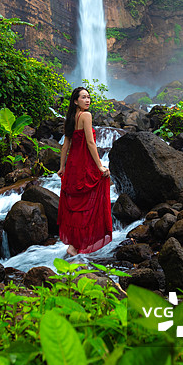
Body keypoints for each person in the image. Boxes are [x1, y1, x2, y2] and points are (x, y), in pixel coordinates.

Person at [57, 86, 113, 256]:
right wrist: (100, 166)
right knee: (86, 203)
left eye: (88, 97)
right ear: (75, 101)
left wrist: (62, 167)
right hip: (84, 164)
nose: (87, 100)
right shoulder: (86, 116)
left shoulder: (70, 119)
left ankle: (74, 245)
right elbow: (90, 143)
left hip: (73, 165)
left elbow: (65, 146)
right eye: (83, 97)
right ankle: (78, 244)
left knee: (76, 204)